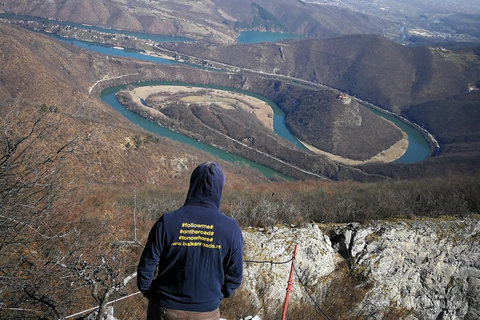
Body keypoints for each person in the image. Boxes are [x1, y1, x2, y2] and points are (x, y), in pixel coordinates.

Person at [137, 162, 243, 320]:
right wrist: (215, 297)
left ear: (192, 184)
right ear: (219, 189)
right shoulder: (230, 228)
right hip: (206, 313)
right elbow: (235, 276)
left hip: (165, 309)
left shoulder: (167, 221)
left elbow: (147, 265)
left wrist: (151, 293)